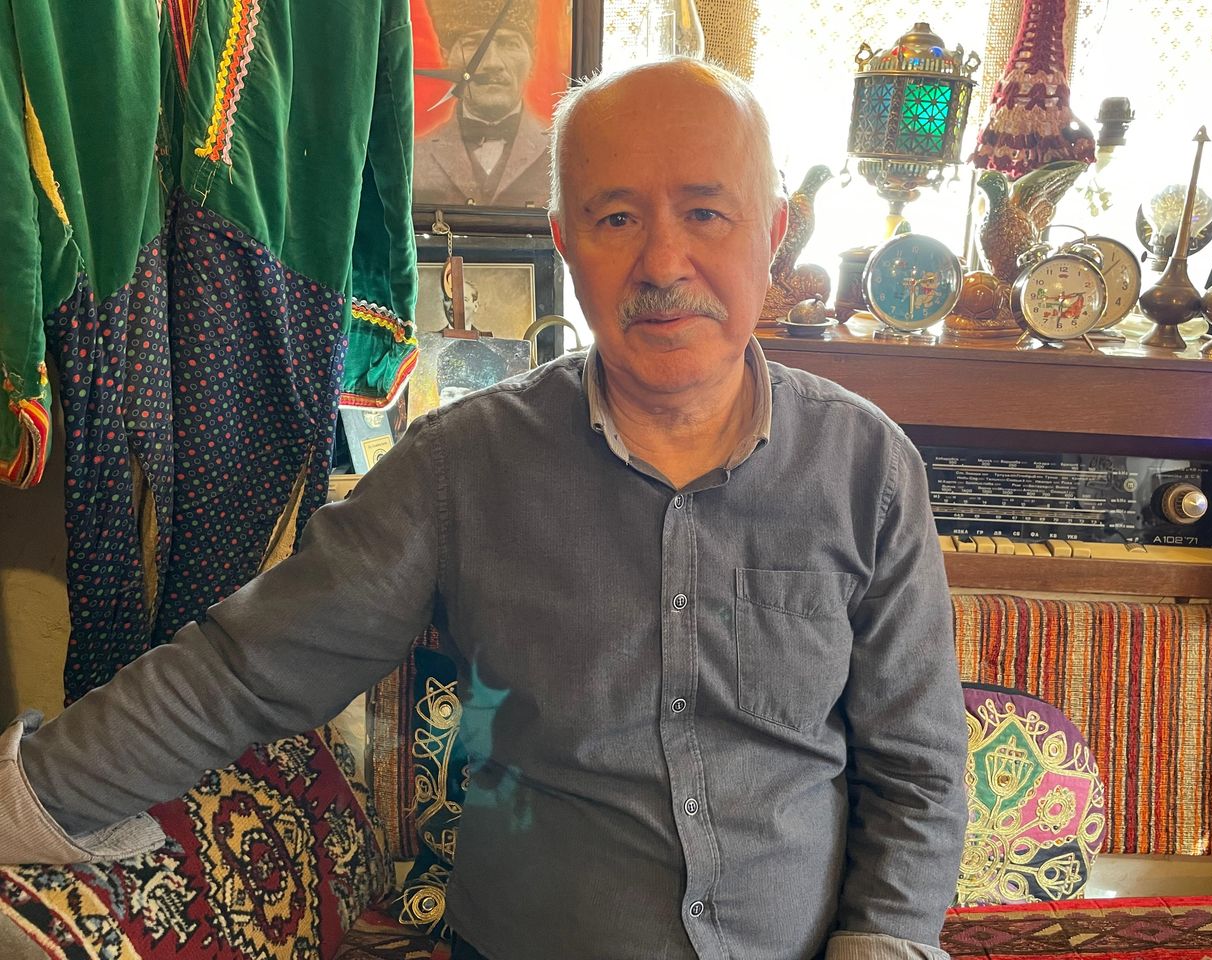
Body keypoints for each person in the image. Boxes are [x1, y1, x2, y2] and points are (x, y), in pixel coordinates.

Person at [1, 59, 967, 960]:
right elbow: (245, 669)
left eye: (707, 213)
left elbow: (917, 771)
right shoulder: (460, 467)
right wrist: (26, 798)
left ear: (774, 230)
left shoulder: (867, 467)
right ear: (565, 242)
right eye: (616, 218)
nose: (664, 262)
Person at [413, 0, 552, 208]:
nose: (492, 63)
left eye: (509, 44)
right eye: (472, 44)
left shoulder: (565, 153)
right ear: (446, 56)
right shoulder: (414, 158)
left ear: (532, 57)